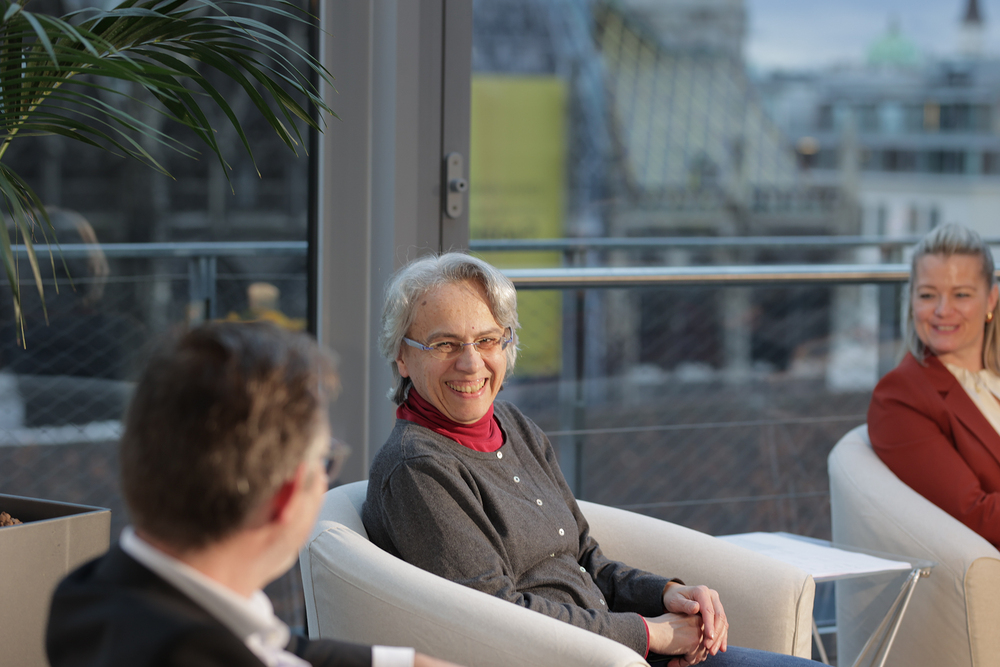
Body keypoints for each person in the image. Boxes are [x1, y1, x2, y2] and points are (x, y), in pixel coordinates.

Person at [361, 253, 817, 667]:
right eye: (445, 344)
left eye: (486, 340)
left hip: (615, 648)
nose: (471, 363)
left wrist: (666, 594)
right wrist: (652, 634)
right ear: (402, 356)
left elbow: (584, 558)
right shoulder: (417, 468)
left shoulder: (513, 425)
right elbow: (494, 613)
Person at [46, 322, 462, 667]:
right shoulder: (194, 651)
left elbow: (273, 645)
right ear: (284, 496)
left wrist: (403, 662)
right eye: (324, 461)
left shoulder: (89, 593)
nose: (326, 481)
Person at [869, 223, 1000, 548]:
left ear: (991, 300)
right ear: (911, 301)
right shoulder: (900, 397)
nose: (943, 311)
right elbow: (975, 516)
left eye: (961, 294)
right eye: (928, 295)